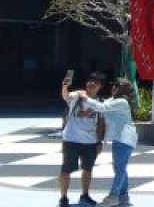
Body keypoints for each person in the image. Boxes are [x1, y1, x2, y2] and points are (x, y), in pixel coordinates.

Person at [75, 78, 138, 207]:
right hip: (120, 139)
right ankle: (123, 197)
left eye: (117, 85)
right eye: (113, 85)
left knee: (119, 168)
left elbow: (101, 107)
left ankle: (113, 196)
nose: (113, 87)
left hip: (124, 139)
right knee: (121, 168)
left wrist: (85, 97)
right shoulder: (113, 100)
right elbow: (100, 104)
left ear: (123, 89)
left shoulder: (122, 102)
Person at [59, 71, 106, 207]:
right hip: (71, 139)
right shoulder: (78, 95)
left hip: (90, 141)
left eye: (95, 83)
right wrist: (65, 86)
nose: (91, 84)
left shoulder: (101, 102)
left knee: (88, 169)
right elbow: (66, 96)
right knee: (66, 169)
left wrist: (99, 141)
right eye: (90, 81)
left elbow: (101, 123)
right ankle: (63, 197)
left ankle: (85, 195)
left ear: (100, 86)